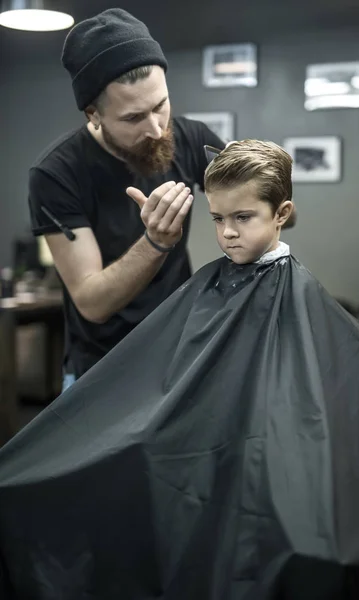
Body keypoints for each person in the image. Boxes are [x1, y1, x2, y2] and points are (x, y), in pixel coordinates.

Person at [2, 139, 359, 599]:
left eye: (243, 218)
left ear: (282, 212)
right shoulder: (207, 287)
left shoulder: (308, 307)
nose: (227, 232)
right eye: (217, 219)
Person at [27, 7, 227, 387]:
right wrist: (155, 243)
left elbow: (277, 208)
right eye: (134, 118)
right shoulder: (56, 174)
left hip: (179, 351)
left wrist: (267, 183)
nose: (156, 128)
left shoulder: (190, 137)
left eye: (161, 105)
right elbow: (92, 302)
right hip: (101, 371)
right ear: (93, 114)